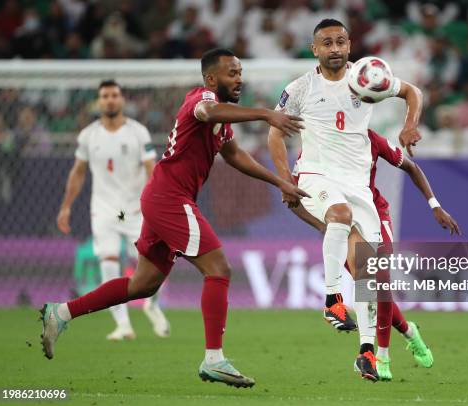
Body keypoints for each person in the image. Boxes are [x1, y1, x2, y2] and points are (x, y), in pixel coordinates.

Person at [41, 48, 307, 388]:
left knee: (143, 284)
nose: (239, 78)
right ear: (212, 78)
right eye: (232, 73)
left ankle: (60, 312)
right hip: (170, 199)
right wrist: (266, 114)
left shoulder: (222, 119)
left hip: (161, 199)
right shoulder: (203, 98)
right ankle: (214, 359)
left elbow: (235, 155)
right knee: (219, 269)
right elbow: (207, 110)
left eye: (240, 72)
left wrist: (280, 181)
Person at [268, 18, 422, 381]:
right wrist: (284, 179)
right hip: (316, 176)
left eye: (340, 42)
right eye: (326, 43)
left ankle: (366, 352)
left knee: (368, 274)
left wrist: (410, 123)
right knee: (338, 213)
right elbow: (275, 135)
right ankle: (331, 300)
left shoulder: (366, 76)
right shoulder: (300, 88)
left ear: (350, 45)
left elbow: (412, 91)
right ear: (314, 49)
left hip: (358, 185)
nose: (334, 48)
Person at [289, 129, 460, 380]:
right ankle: (409, 332)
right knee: (370, 290)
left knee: (379, 280)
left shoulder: (372, 139)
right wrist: (323, 225)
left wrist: (435, 205)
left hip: (375, 215)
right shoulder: (318, 142)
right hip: (345, 224)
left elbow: (411, 168)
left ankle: (382, 356)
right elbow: (292, 195)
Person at [57, 80, 170, 341]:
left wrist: (158, 202)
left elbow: (152, 169)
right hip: (104, 209)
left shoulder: (137, 132)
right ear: (99, 102)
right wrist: (65, 207)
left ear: (121, 100)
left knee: (150, 265)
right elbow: (78, 173)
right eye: (105, 96)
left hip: (134, 209)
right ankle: (123, 324)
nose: (110, 100)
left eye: (114, 95)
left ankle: (152, 305)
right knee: (108, 260)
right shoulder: (88, 136)